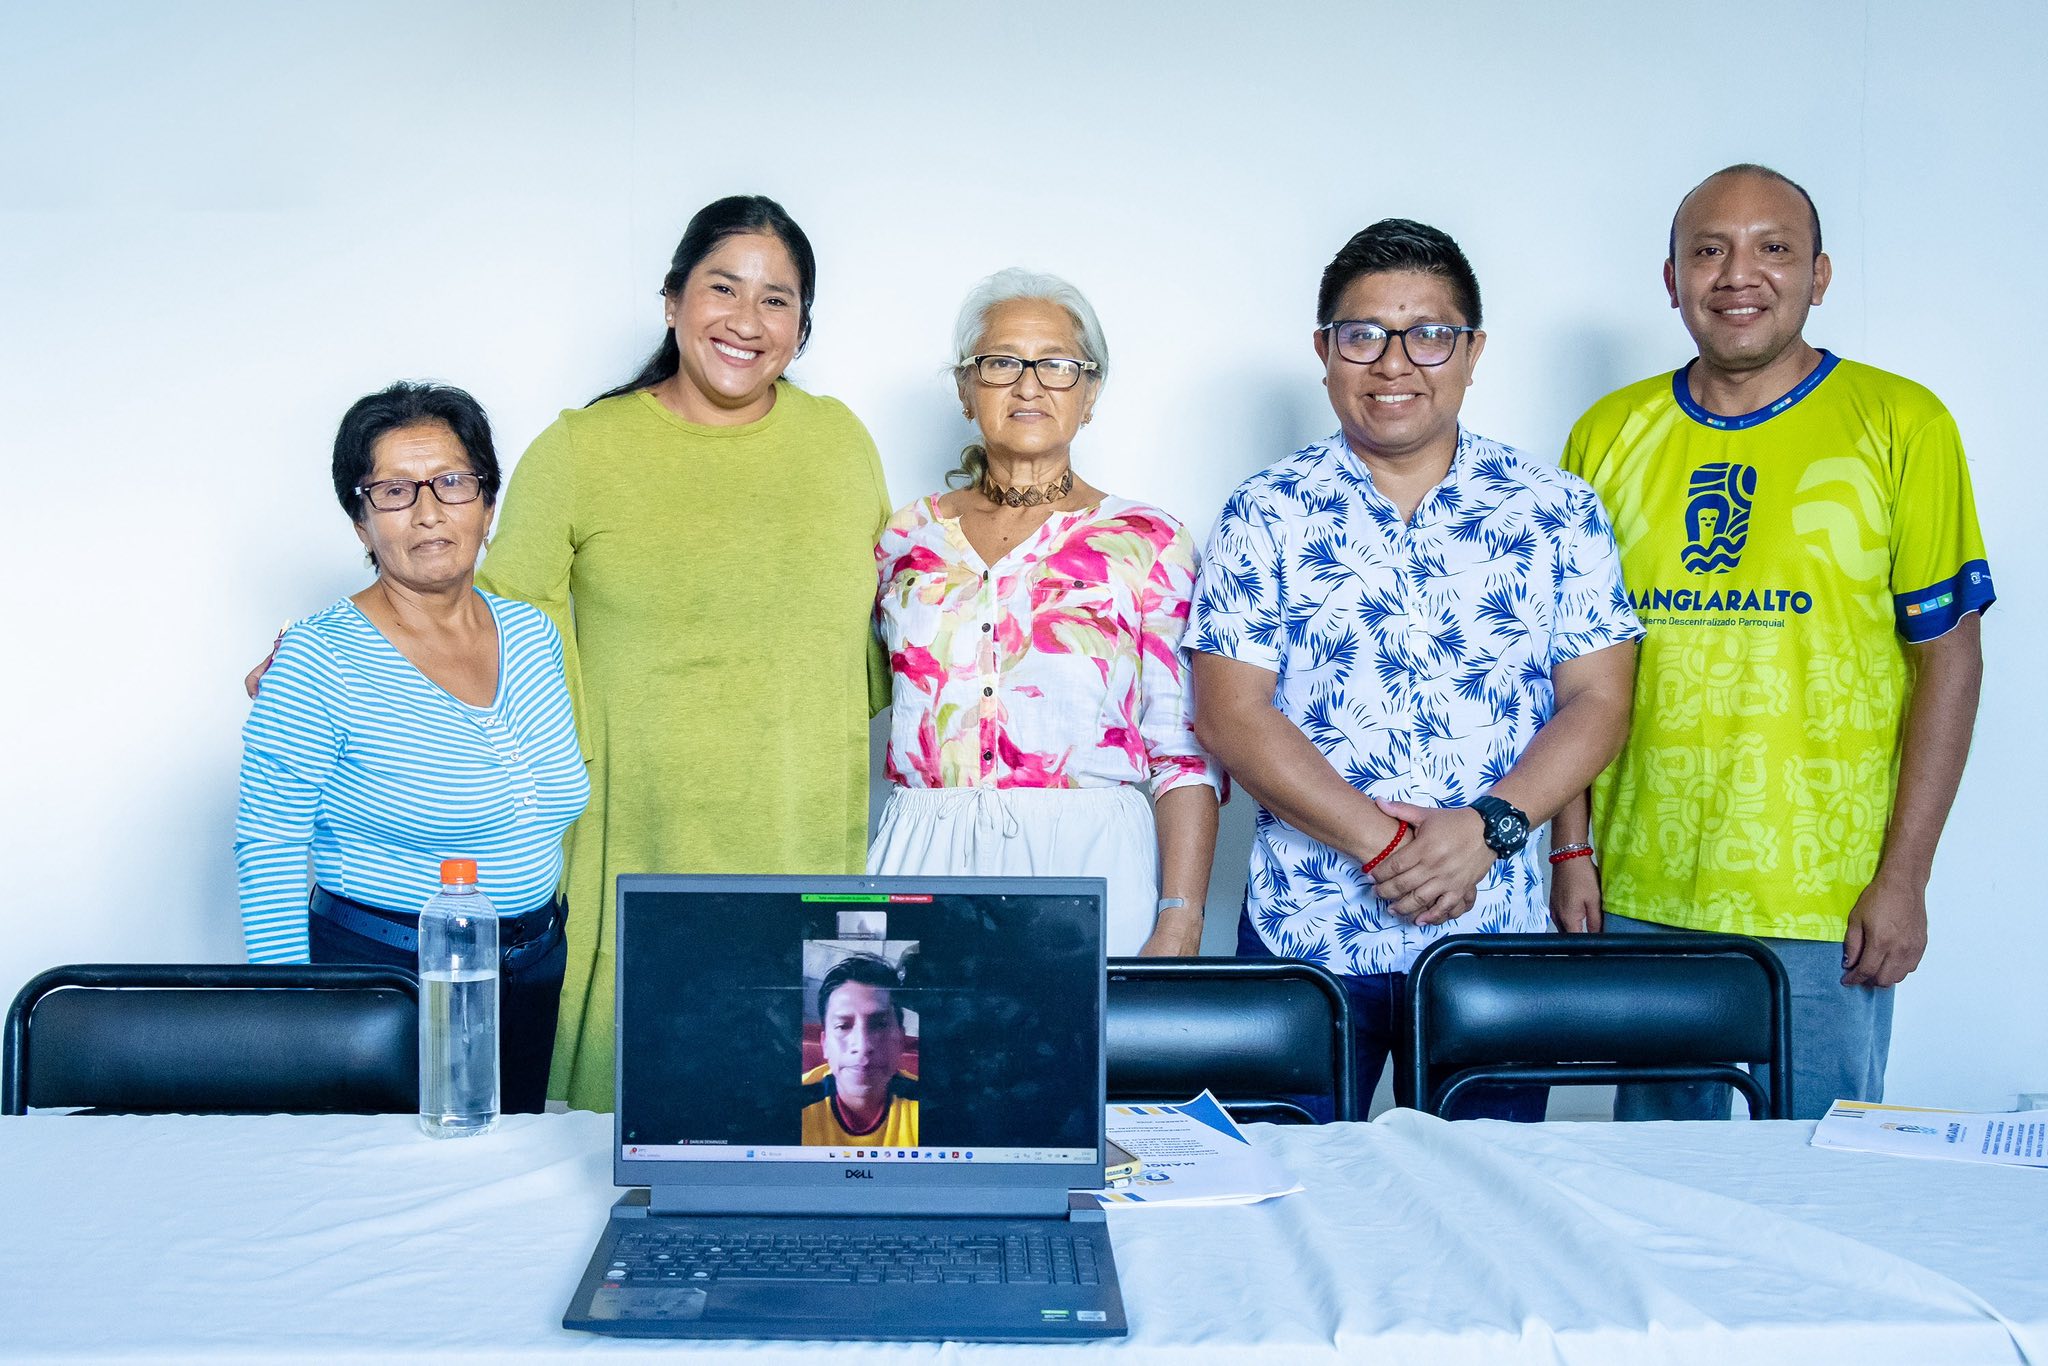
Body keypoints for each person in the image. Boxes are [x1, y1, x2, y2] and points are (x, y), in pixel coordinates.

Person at [1554, 164, 1993, 1120]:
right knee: (1658, 1174)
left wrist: (1905, 878)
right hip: (1639, 885)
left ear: (1819, 276)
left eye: (1774, 248)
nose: (1737, 274)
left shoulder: (1901, 422)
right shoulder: (1608, 433)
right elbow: (1572, 665)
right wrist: (1571, 848)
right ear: (1671, 279)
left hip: (1824, 895)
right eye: (1708, 250)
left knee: (1820, 1170)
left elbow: (1950, 659)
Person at [1189, 220, 1642, 1119]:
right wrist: (1387, 846)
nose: (1394, 363)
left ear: (1473, 352)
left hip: (1491, 934)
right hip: (1307, 930)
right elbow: (1231, 712)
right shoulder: (1264, 510)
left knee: (1486, 1189)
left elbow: (1599, 700)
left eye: (1429, 334)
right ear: (1324, 352)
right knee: (1288, 1182)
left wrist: (1488, 832)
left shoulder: (1555, 509)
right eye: (1363, 335)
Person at [476, 195, 893, 1111]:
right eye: (723, 288)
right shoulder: (582, 449)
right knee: (628, 1140)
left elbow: (890, 638)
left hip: (802, 851)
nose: (747, 320)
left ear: (802, 329)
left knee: (799, 1139)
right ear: (672, 301)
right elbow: (490, 638)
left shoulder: (839, 443)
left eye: (777, 300)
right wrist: (353, 655)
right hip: (636, 852)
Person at [236, 382, 589, 1113]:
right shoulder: (317, 658)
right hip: (386, 984)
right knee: (388, 1174)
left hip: (532, 969)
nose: (429, 512)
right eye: (395, 491)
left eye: (453, 482)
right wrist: (294, 1019)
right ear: (362, 522)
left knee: (508, 1167)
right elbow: (268, 847)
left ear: (487, 506)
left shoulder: (533, 634)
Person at [868, 269, 1222, 957]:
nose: (1028, 386)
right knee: (910, 1031)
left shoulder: (1148, 541)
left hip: (1091, 858)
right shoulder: (904, 537)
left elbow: (1182, 755)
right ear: (966, 389)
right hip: (921, 853)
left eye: (1057, 365)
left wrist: (1181, 919)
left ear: (1090, 394)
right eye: (1001, 362)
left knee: (1087, 1031)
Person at [801, 954, 920, 1146]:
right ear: (825, 1044)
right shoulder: (791, 1103)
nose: (863, 1046)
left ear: (901, 1039)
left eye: (880, 1025)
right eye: (843, 1026)